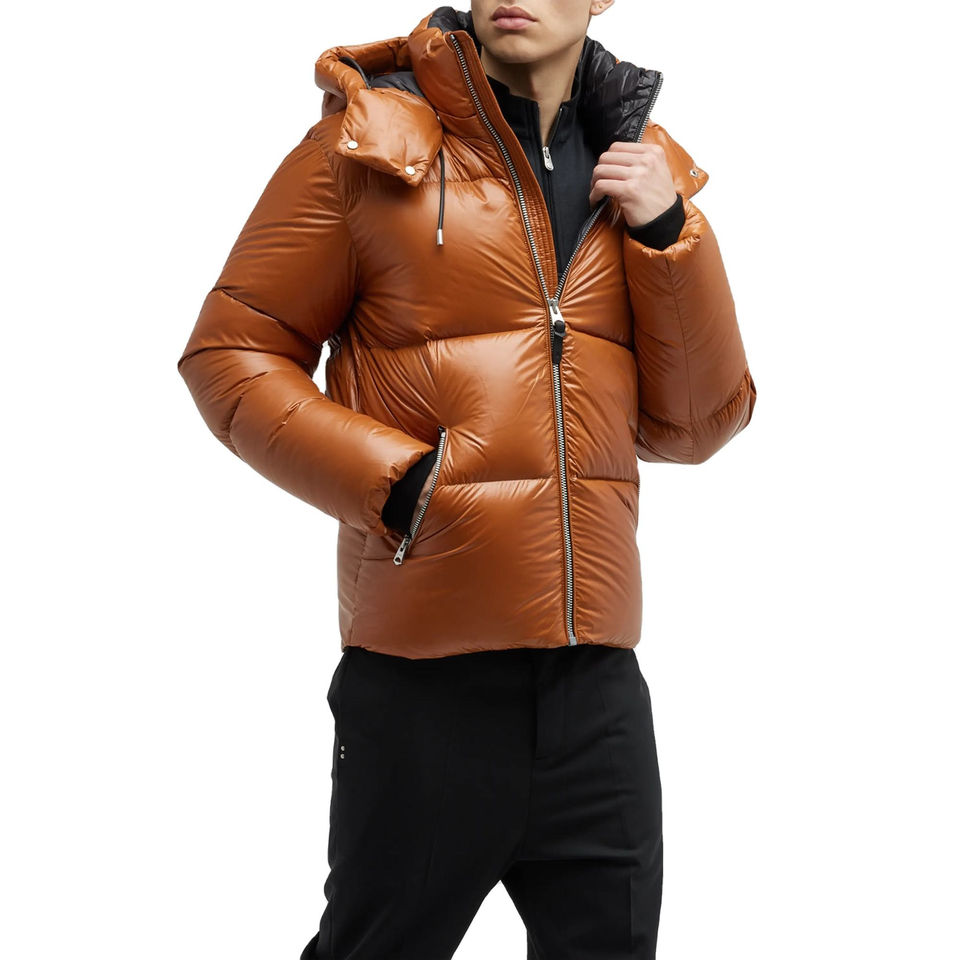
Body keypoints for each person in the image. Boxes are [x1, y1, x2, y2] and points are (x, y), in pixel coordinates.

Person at [176, 2, 757, 957]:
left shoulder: (640, 170)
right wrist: (398, 482)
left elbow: (696, 427)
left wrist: (666, 233)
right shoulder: (369, 144)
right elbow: (230, 353)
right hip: (423, 686)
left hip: (597, 687)